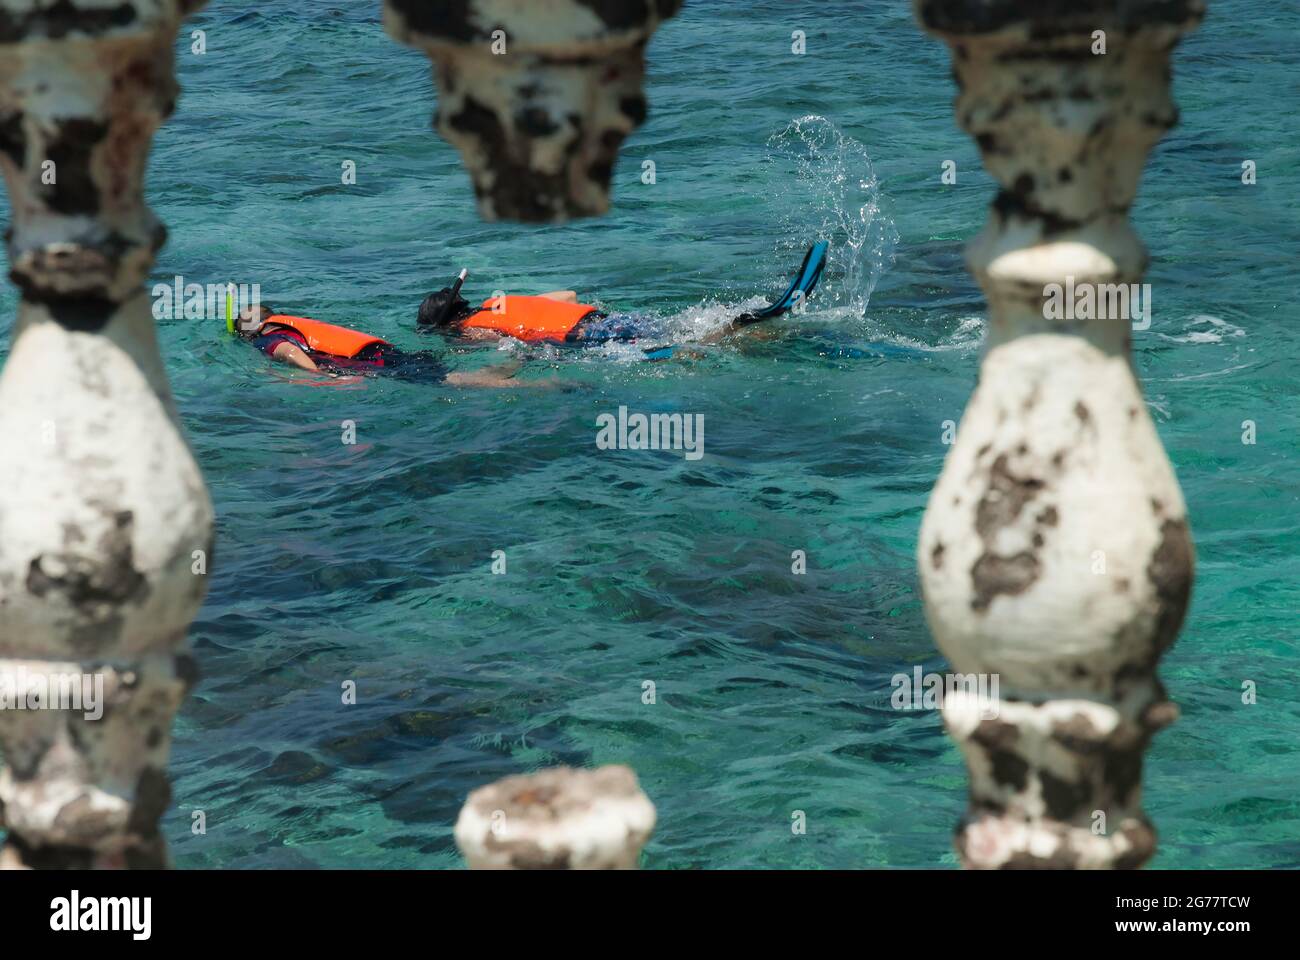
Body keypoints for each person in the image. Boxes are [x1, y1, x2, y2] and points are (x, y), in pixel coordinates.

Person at [232, 304, 532, 387]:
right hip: (382, 351)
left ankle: (543, 384)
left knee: (452, 382)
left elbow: (290, 352)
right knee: (441, 372)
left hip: (373, 363)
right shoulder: (292, 323)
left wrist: (321, 377)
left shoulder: (267, 338)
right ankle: (517, 359)